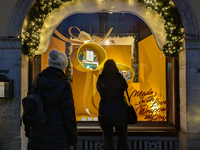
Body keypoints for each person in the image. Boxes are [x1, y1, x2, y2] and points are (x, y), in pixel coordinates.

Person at [25, 49, 78, 150]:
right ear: (63, 66)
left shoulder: (37, 79)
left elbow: (28, 109)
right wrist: (73, 138)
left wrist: (29, 131)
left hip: (38, 133)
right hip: (58, 136)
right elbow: (68, 115)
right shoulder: (64, 84)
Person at [96, 59, 130, 150]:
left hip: (105, 111)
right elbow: (125, 88)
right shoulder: (120, 78)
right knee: (123, 139)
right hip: (120, 112)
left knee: (107, 140)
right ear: (115, 67)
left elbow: (99, 91)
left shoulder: (101, 78)